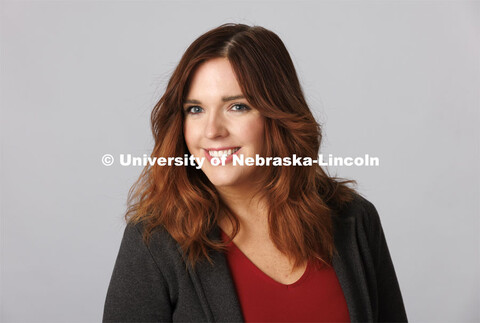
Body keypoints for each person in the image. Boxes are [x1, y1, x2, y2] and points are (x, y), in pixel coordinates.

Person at [103, 23, 407, 322]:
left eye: (237, 107)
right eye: (195, 109)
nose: (212, 131)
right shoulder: (154, 240)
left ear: (277, 114)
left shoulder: (354, 220)